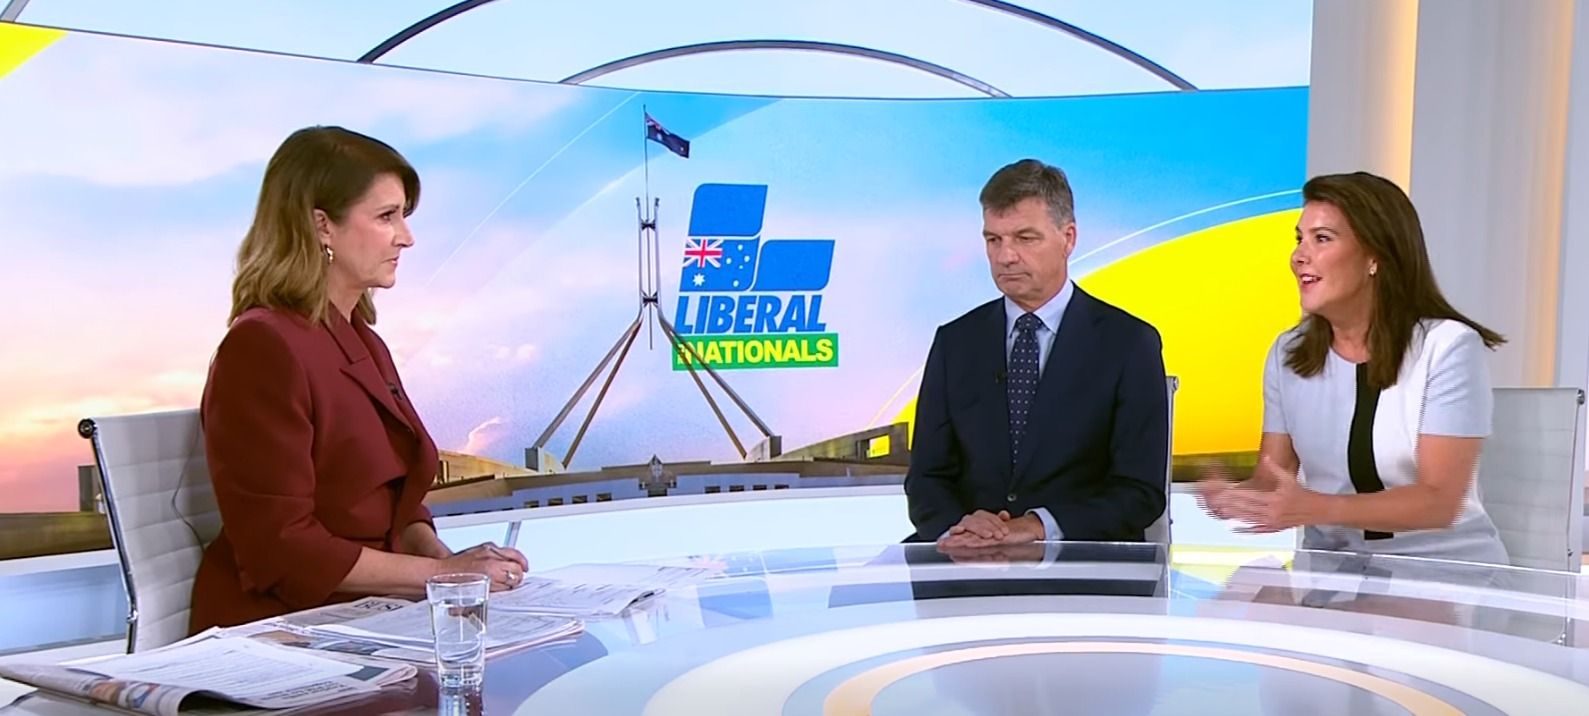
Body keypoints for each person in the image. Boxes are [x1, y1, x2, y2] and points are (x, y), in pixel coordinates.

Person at [190, 126, 527, 633]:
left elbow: (394, 507)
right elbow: (281, 547)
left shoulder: (363, 341)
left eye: (403, 216)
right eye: (387, 216)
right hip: (284, 628)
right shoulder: (261, 346)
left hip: (370, 615)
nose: (406, 237)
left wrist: (455, 568)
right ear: (322, 226)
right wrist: (440, 576)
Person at [1198, 171, 1509, 565]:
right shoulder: (1287, 353)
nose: (1298, 256)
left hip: (1440, 569)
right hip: (1331, 571)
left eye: (1322, 239)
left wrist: (1318, 508)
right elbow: (1273, 479)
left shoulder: (1447, 347)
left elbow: (1439, 502)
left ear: (1375, 256)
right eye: (1299, 239)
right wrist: (1235, 497)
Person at [905, 158, 1170, 547]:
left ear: (1068, 238)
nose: (1005, 256)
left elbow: (1139, 491)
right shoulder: (955, 342)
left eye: (1025, 238)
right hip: (968, 556)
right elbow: (926, 479)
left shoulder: (1129, 343)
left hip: (1083, 562)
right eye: (993, 240)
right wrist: (958, 529)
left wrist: (1037, 526)